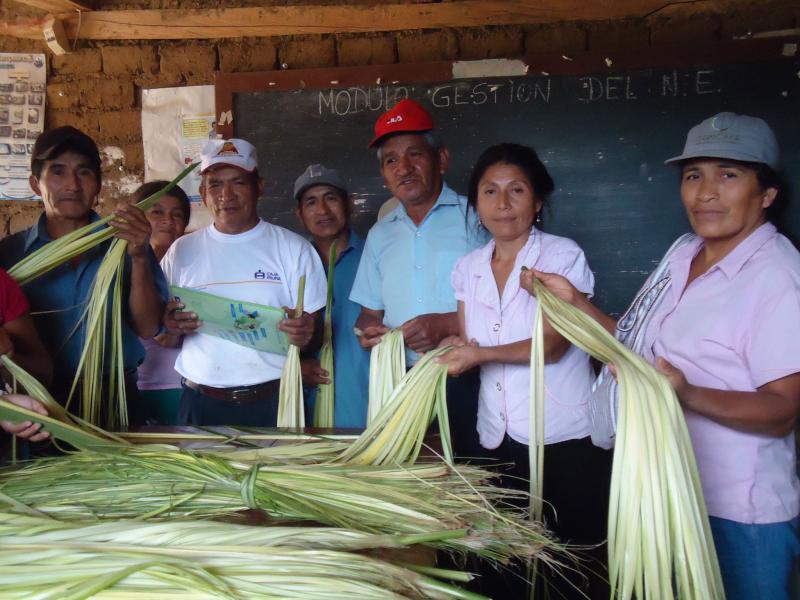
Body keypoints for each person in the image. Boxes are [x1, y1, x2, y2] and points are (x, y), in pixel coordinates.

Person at [523, 112, 800, 600]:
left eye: (728, 175)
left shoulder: (778, 276)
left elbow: (782, 412)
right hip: (664, 491)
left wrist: (687, 393)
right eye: (694, 175)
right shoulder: (682, 254)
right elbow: (631, 346)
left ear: (767, 194)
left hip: (736, 513)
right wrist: (574, 303)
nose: (705, 192)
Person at [437, 143, 611, 598]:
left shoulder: (560, 256)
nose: (503, 203)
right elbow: (468, 334)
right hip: (495, 435)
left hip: (562, 438)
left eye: (517, 190)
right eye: (490, 191)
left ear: (537, 202)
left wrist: (478, 356)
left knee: (565, 562)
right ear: (476, 202)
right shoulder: (468, 268)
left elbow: (553, 345)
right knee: (505, 560)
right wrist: (459, 345)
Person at [349, 99, 488, 455]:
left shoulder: (477, 218)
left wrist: (446, 324)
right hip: (403, 381)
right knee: (413, 477)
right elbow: (370, 314)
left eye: (415, 154)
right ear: (383, 174)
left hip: (472, 377)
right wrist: (367, 333)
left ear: (441, 159)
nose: (404, 168)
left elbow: (510, 304)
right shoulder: (381, 234)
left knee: (474, 476)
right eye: (391, 160)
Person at [0, 126, 167, 417]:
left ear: (99, 184)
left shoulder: (126, 241)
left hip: (116, 398)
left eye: (84, 172)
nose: (72, 184)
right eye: (58, 172)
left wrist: (139, 257)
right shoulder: (10, 254)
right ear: (34, 184)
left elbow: (148, 327)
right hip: (38, 402)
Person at [161, 138, 326, 427]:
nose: (227, 194)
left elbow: (314, 336)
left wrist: (305, 334)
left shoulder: (293, 248)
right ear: (202, 192)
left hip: (275, 401)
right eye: (215, 184)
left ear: (258, 187)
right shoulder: (181, 251)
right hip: (200, 403)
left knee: (275, 474)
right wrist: (170, 327)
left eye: (238, 183)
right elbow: (163, 336)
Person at [293, 164, 370, 428]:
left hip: (370, 410)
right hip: (305, 415)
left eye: (330, 198)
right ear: (300, 215)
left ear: (349, 204)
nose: (323, 210)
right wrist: (295, 366)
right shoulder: (292, 267)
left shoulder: (377, 258)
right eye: (311, 202)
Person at [134, 181, 191, 425]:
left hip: (179, 385)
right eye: (156, 212)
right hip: (133, 387)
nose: (167, 220)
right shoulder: (122, 267)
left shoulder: (194, 269)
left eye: (176, 214)